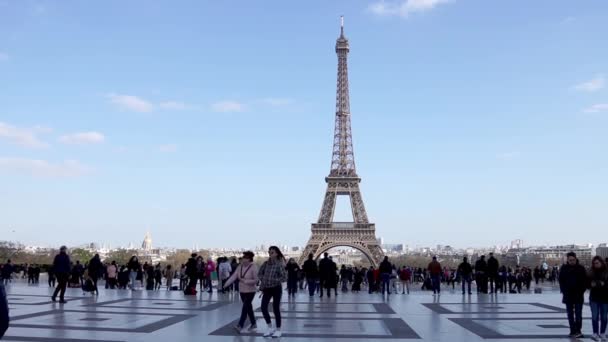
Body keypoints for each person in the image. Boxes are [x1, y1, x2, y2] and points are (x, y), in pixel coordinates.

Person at [223, 251, 258, 334]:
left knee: (245, 307)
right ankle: (253, 323)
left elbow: (256, 280)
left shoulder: (254, 267)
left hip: (251, 291)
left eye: (245, 258)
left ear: (249, 259)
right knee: (248, 308)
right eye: (243, 258)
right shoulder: (240, 267)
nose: (243, 259)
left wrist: (246, 281)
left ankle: (240, 325)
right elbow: (234, 276)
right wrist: (226, 284)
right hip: (242, 290)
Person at [258, 246, 287, 338]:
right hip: (267, 288)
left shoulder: (279, 264)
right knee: (263, 307)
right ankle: (269, 327)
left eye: (272, 252)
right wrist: (264, 279)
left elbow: (284, 277)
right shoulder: (266, 263)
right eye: (269, 252)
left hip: (276, 288)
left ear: (277, 253)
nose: (270, 254)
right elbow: (259, 273)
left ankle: (278, 329)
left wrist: (274, 280)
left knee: (275, 309)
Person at [559, 252, 588, 339]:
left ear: (576, 259)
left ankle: (578, 331)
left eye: (573, 260)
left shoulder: (581, 268)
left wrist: (582, 290)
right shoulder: (564, 268)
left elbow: (584, 281)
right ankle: (572, 330)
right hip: (568, 295)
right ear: (567, 260)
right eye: (570, 260)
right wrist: (564, 291)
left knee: (578, 314)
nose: (572, 261)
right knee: (570, 314)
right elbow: (561, 280)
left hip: (578, 295)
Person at [588, 256, 608, 341]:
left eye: (597, 263)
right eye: (594, 263)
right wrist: (592, 285)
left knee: (604, 316)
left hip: (605, 297)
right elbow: (587, 284)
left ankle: (602, 333)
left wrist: (602, 284)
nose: (596, 265)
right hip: (594, 297)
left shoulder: (606, 272)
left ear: (601, 262)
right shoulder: (591, 272)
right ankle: (595, 333)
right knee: (594, 316)